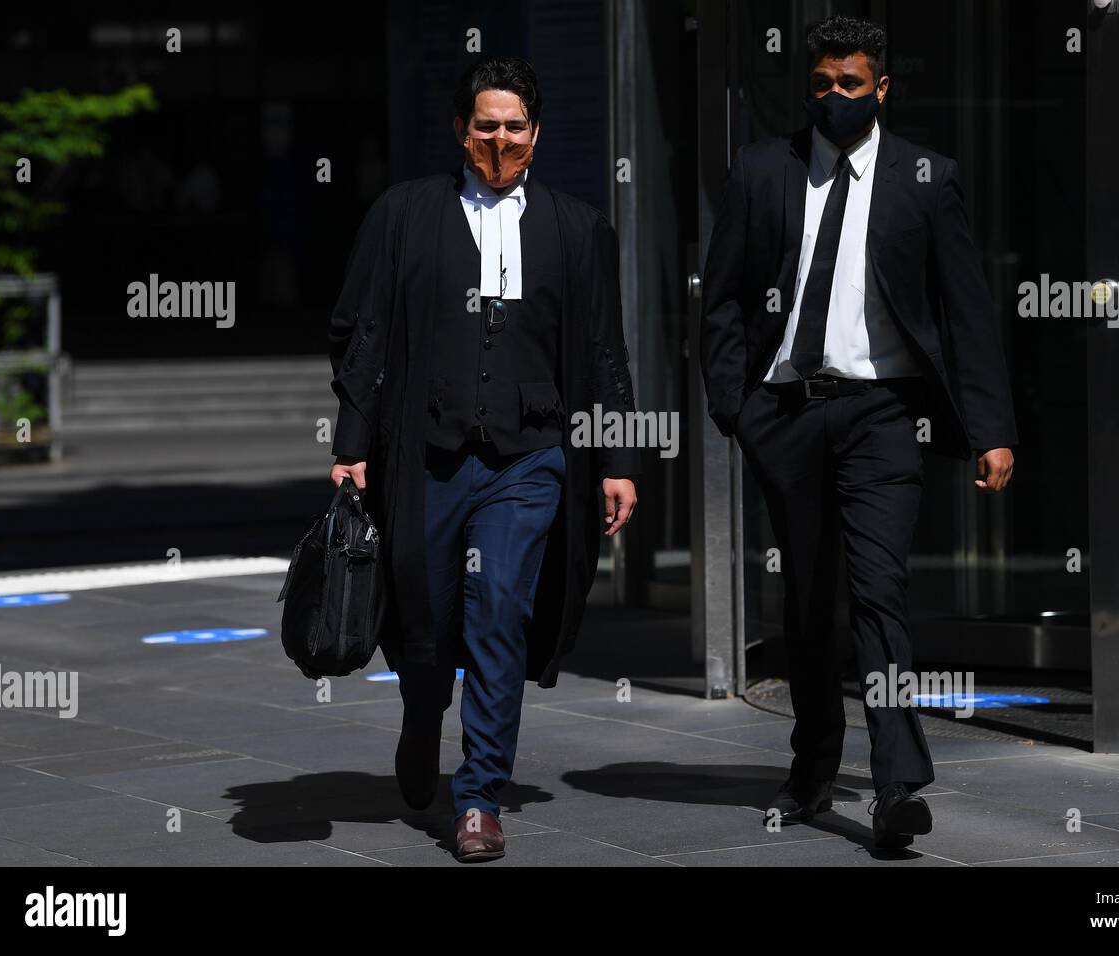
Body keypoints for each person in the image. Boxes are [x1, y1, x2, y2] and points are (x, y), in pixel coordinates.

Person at [700, 15, 1018, 849]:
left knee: (880, 591)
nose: (834, 98)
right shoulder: (763, 172)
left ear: (882, 87)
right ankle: (812, 765)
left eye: (850, 84)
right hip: (787, 413)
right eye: (821, 85)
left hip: (883, 415)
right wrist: (737, 406)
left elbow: (967, 314)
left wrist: (991, 429)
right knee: (811, 605)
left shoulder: (925, 178)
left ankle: (895, 785)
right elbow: (723, 299)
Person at [327, 55, 641, 862]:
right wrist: (351, 446)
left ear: (536, 134)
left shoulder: (577, 229)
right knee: (424, 614)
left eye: (513, 127)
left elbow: (605, 351)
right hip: (425, 456)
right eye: (484, 127)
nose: (498, 140)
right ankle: (423, 711)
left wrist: (614, 457)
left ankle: (479, 798)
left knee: (499, 607)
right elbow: (360, 334)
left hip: (529, 456)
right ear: (461, 132)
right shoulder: (403, 216)